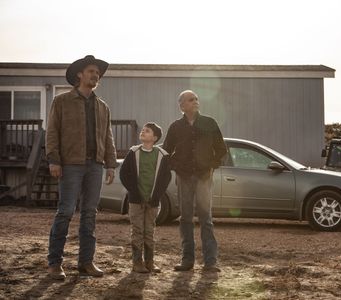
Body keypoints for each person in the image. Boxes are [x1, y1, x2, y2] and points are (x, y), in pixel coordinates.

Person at [46, 55, 117, 280]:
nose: (95, 75)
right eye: (91, 71)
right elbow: (52, 132)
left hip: (95, 165)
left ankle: (86, 262)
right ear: (80, 74)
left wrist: (111, 164)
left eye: (98, 73)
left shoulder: (102, 106)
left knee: (89, 214)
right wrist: (54, 159)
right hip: (70, 165)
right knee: (65, 212)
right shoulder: (62, 101)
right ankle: (54, 264)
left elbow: (108, 136)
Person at [163, 90, 227, 272]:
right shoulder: (175, 127)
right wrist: (177, 166)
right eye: (191, 100)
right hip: (184, 178)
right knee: (185, 219)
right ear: (182, 105)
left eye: (197, 99)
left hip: (204, 178)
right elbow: (166, 151)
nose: (196, 101)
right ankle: (187, 260)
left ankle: (211, 262)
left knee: (206, 219)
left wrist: (211, 166)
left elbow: (222, 150)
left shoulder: (210, 123)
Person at [119, 122, 171, 273]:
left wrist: (157, 196)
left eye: (147, 131)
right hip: (136, 200)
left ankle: (150, 262)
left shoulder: (162, 155)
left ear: (154, 138)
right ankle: (137, 262)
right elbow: (124, 174)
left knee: (149, 231)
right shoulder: (133, 152)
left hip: (153, 201)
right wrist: (134, 192)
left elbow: (165, 178)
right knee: (137, 230)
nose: (143, 132)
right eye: (142, 130)